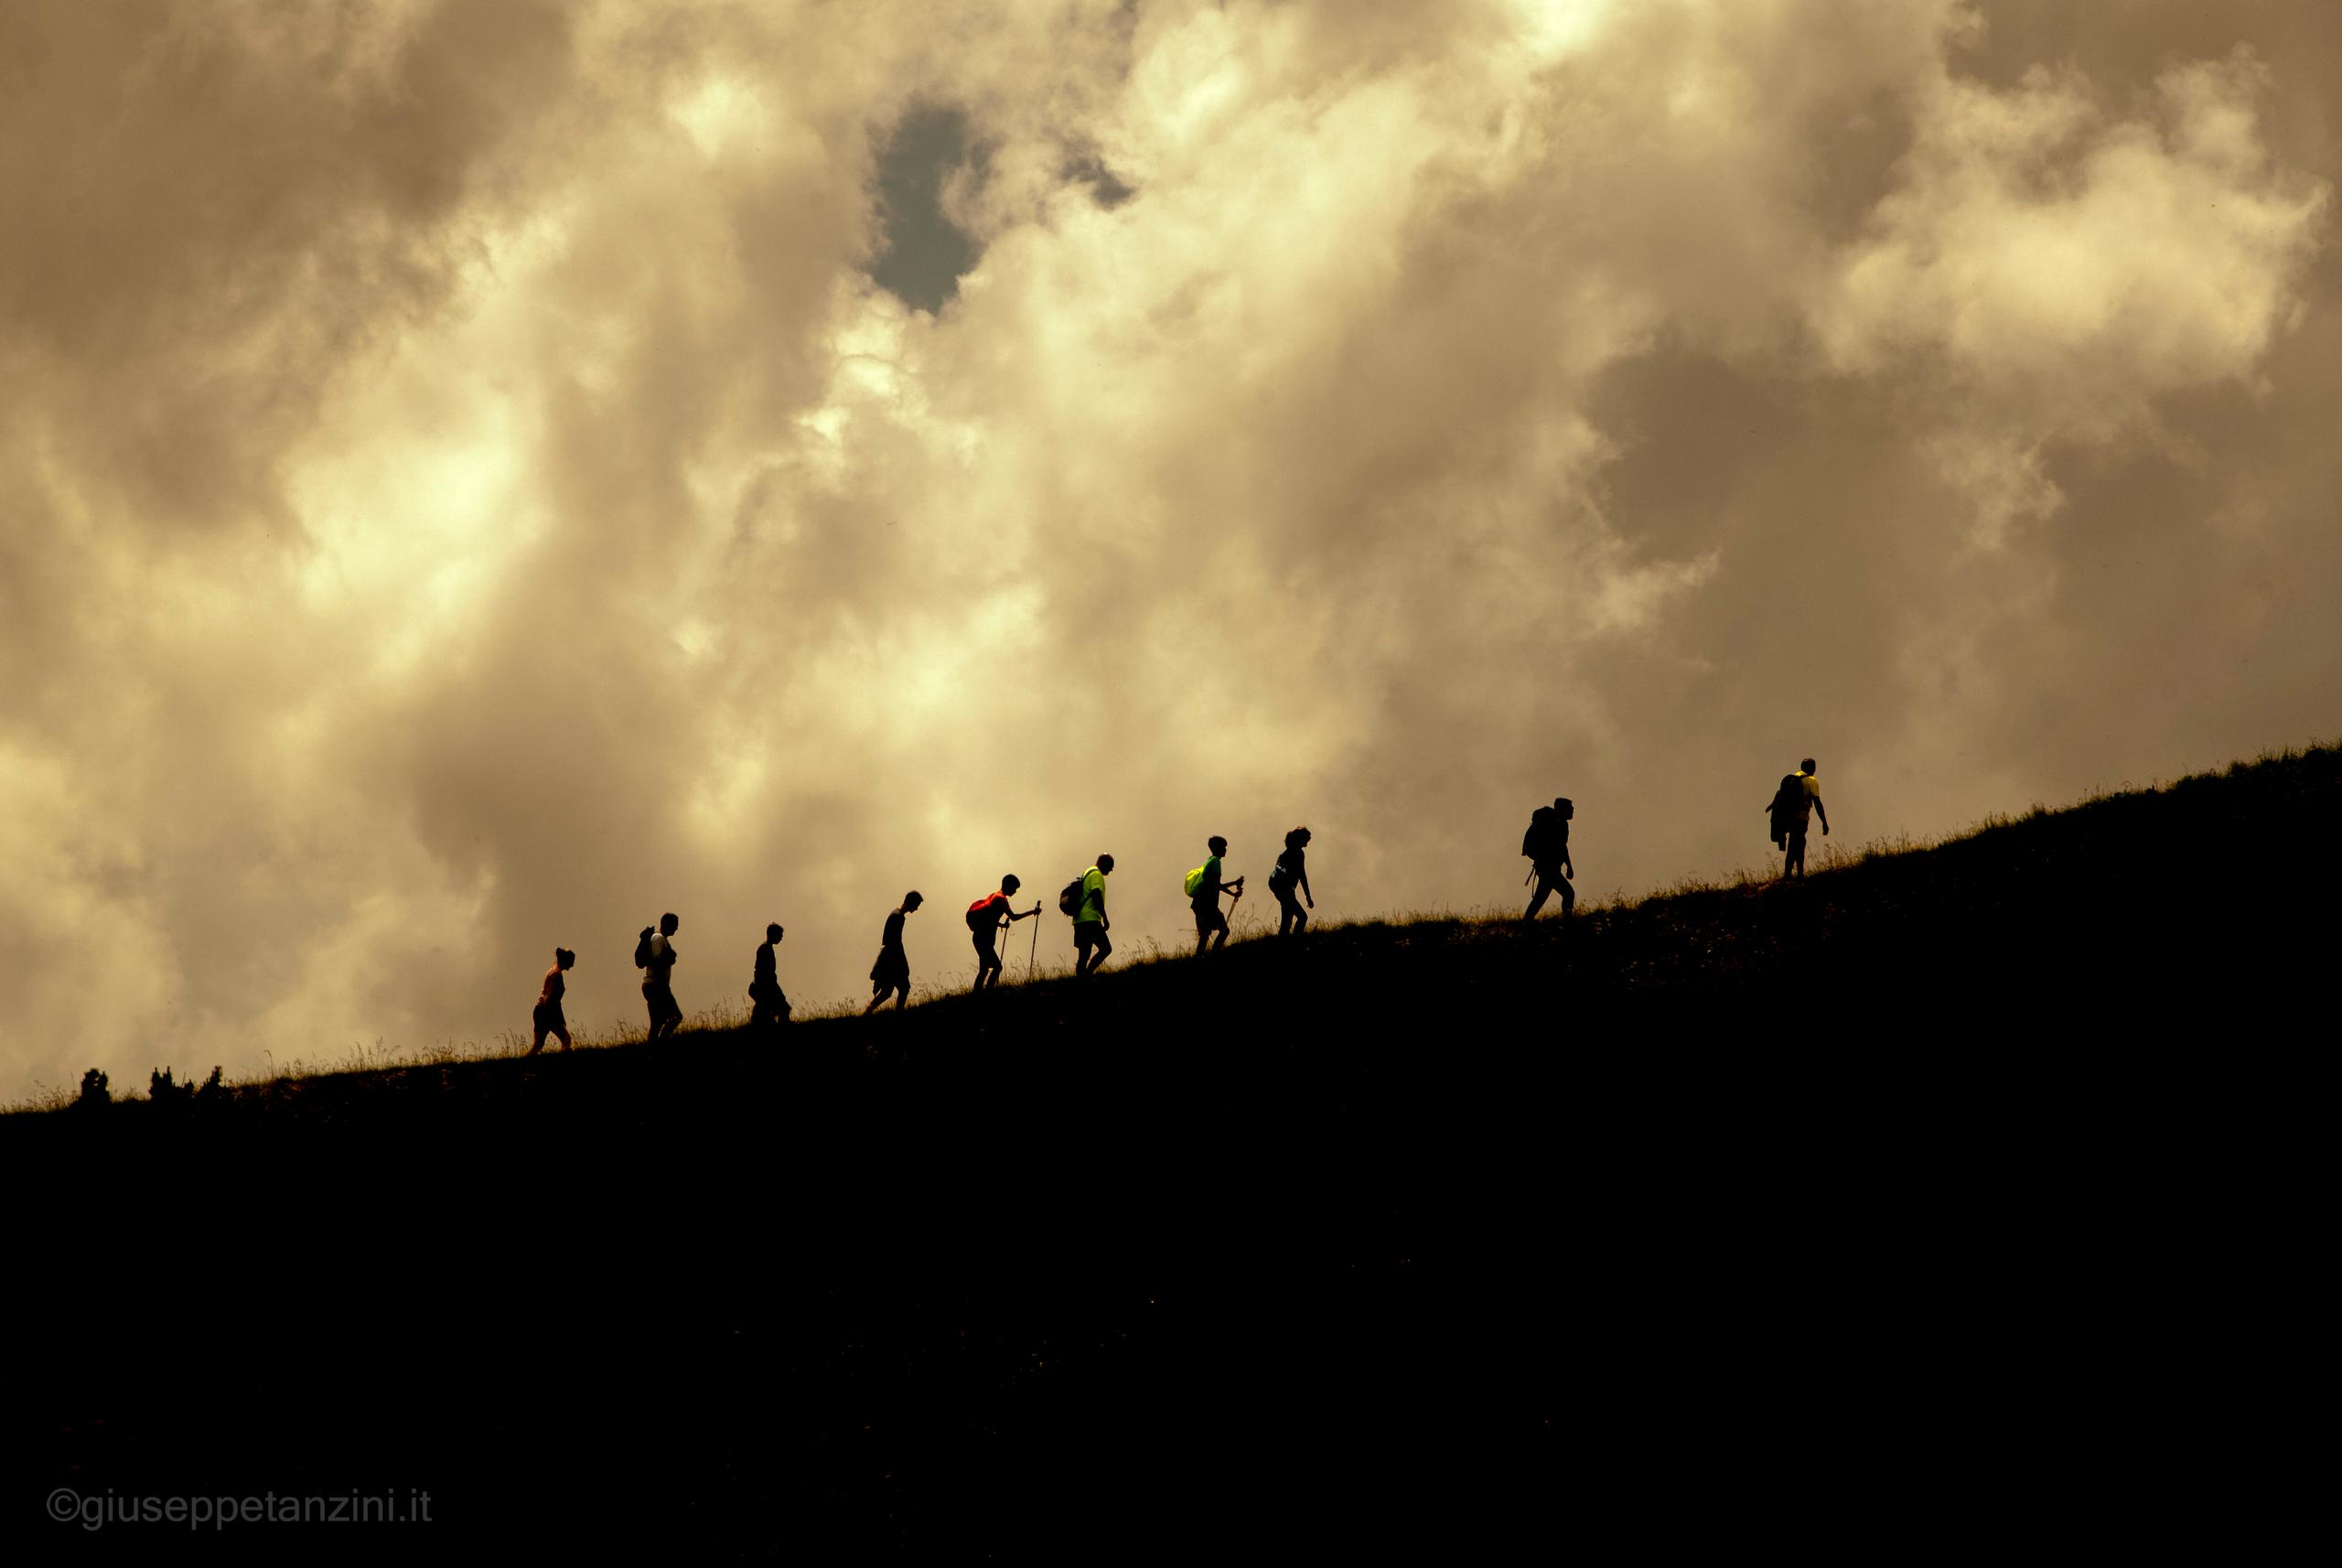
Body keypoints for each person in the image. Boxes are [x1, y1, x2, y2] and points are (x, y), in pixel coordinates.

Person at [967, 875, 1041, 991]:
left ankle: (977, 996)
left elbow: (989, 919)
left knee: (984, 970)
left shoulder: (993, 895)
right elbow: (1014, 917)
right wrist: (1033, 912)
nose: (1015, 891)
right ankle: (988, 993)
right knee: (997, 967)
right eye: (1015, 888)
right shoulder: (1001, 899)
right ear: (1008, 885)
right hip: (984, 938)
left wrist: (1002, 925)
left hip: (979, 937)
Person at [1767, 758, 1830, 879]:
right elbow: (1817, 803)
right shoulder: (1811, 780)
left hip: (1787, 817)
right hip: (1801, 817)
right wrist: (1824, 822)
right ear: (1811, 768)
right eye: (1814, 767)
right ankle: (1792, 875)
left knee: (1798, 843)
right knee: (1796, 844)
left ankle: (1794, 874)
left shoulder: (1791, 779)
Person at [864, 892, 923, 1014]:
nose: (917, 908)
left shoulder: (896, 915)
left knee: (886, 992)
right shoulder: (898, 917)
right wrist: (902, 962)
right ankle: (898, 1013)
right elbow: (895, 942)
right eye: (916, 905)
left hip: (890, 958)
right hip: (893, 959)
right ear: (910, 902)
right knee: (904, 989)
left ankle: (866, 1013)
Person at [1189, 837, 1246, 956]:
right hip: (1207, 906)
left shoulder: (1210, 861)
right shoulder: (1216, 862)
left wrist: (1235, 883)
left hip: (1200, 904)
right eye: (1223, 847)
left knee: (1204, 936)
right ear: (1216, 848)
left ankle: (1201, 958)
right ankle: (1214, 954)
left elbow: (1215, 885)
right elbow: (1217, 886)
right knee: (1224, 931)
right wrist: (1233, 893)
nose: (1225, 850)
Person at [1523, 798, 1574, 919]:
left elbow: (1562, 847)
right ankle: (1567, 921)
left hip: (1548, 868)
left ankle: (1527, 922)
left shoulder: (1561, 824)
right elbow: (1560, 847)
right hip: (1549, 868)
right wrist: (1569, 866)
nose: (1572, 810)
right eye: (1570, 808)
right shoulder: (1557, 825)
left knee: (1540, 898)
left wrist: (1569, 866)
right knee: (1568, 893)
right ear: (1562, 809)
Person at [637, 912, 683, 1039]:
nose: (676, 928)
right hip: (657, 985)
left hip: (655, 985)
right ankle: (659, 1045)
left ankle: (655, 1048)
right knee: (675, 1017)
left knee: (657, 1023)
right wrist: (670, 959)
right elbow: (656, 960)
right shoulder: (658, 938)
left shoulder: (660, 939)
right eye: (675, 924)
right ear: (665, 923)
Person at [527, 947, 575, 1056]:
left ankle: (523, 1064)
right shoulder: (556, 975)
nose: (572, 965)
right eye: (572, 962)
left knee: (538, 1045)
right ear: (566, 961)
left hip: (541, 1010)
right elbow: (549, 997)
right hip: (547, 1011)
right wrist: (554, 1016)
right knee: (566, 1040)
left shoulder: (551, 971)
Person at [1073, 854, 1114, 976]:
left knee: (1083, 955)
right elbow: (1096, 894)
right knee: (1106, 949)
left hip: (1079, 920)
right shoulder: (1096, 874)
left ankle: (1081, 980)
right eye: (1110, 866)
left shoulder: (1087, 873)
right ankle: (1088, 974)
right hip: (1090, 919)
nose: (1111, 870)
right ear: (1104, 863)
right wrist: (1105, 918)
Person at [1269, 827, 1315, 937]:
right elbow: (1302, 875)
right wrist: (1308, 896)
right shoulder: (1297, 854)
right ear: (1301, 839)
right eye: (1306, 840)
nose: (1307, 844)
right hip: (1284, 888)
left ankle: (1285, 944)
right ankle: (1293, 944)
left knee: (1287, 919)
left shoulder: (1285, 853)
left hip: (1279, 887)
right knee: (1302, 917)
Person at [748, 923, 790, 1028]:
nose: (781, 938)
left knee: (765, 1013)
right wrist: (767, 987)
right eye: (779, 935)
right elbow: (760, 970)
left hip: (767, 985)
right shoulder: (765, 949)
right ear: (773, 935)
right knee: (783, 1009)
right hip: (767, 986)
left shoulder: (767, 948)